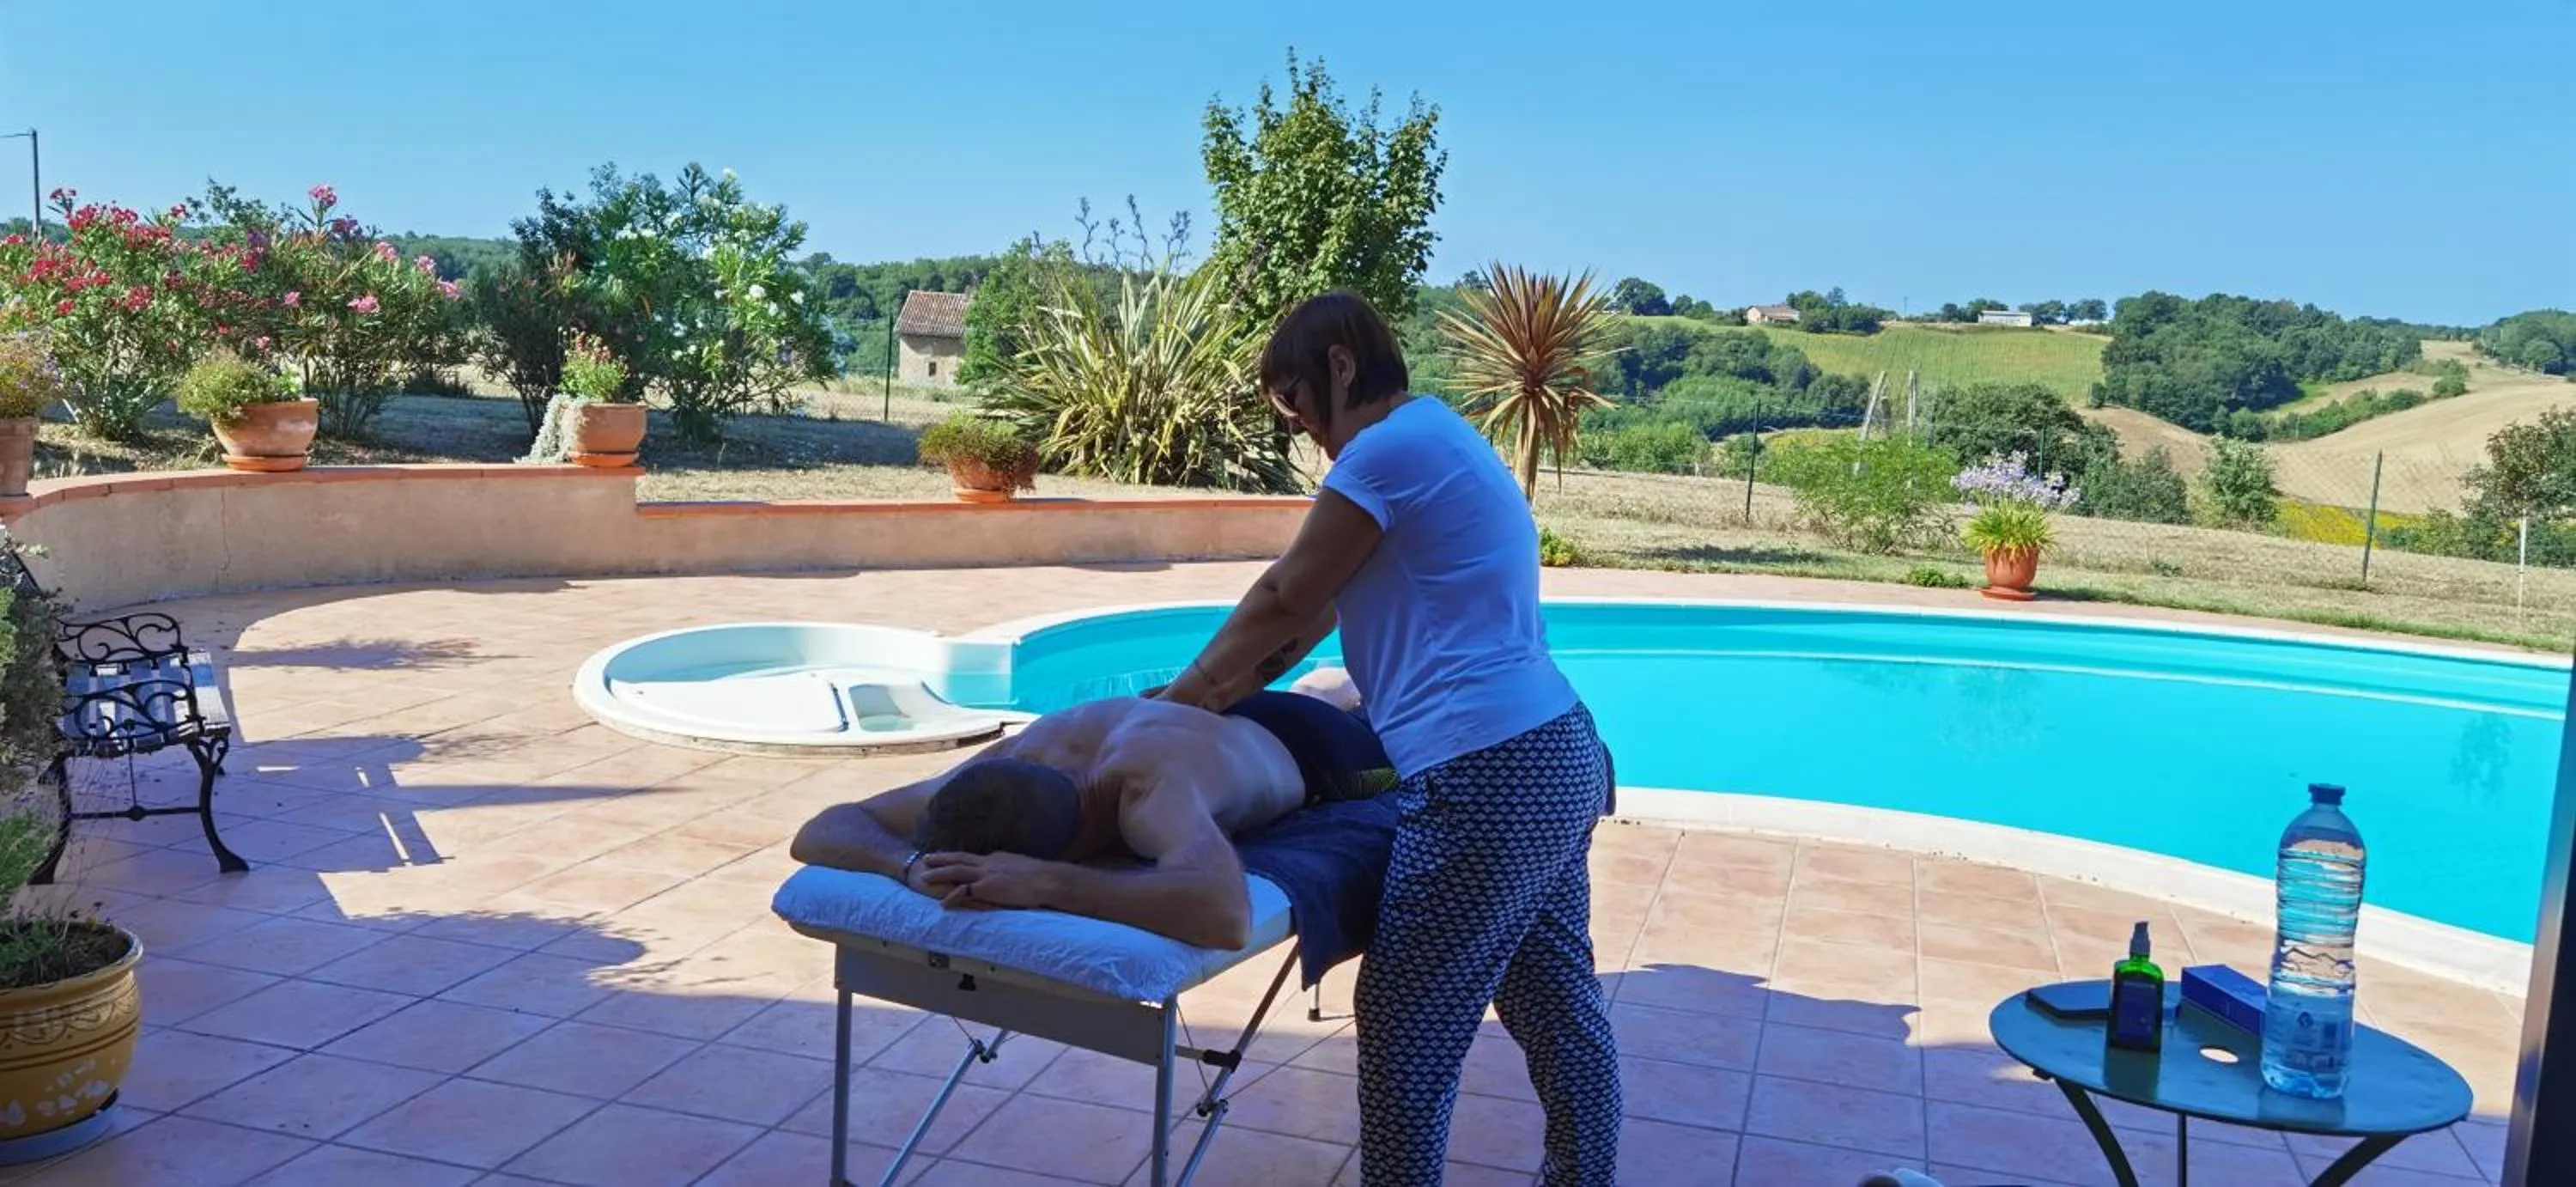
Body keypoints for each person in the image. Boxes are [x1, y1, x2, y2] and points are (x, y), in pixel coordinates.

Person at [1148, 291, 1619, 1186]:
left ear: (1337, 365)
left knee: (1406, 1020)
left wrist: (1176, 704)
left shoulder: (1385, 452)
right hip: (1556, 749)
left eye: (1294, 402)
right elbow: (1315, 615)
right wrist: (1213, 697)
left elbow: (1285, 593)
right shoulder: (1439, 436)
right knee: (1556, 1003)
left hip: (1488, 771)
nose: (1302, 431)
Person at [787, 686, 1394, 949]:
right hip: (1187, 713)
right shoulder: (1019, 759)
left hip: (1320, 754)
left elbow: (1225, 915)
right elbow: (822, 829)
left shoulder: (1148, 791)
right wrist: (908, 864)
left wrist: (1049, 883)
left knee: (1381, 728)